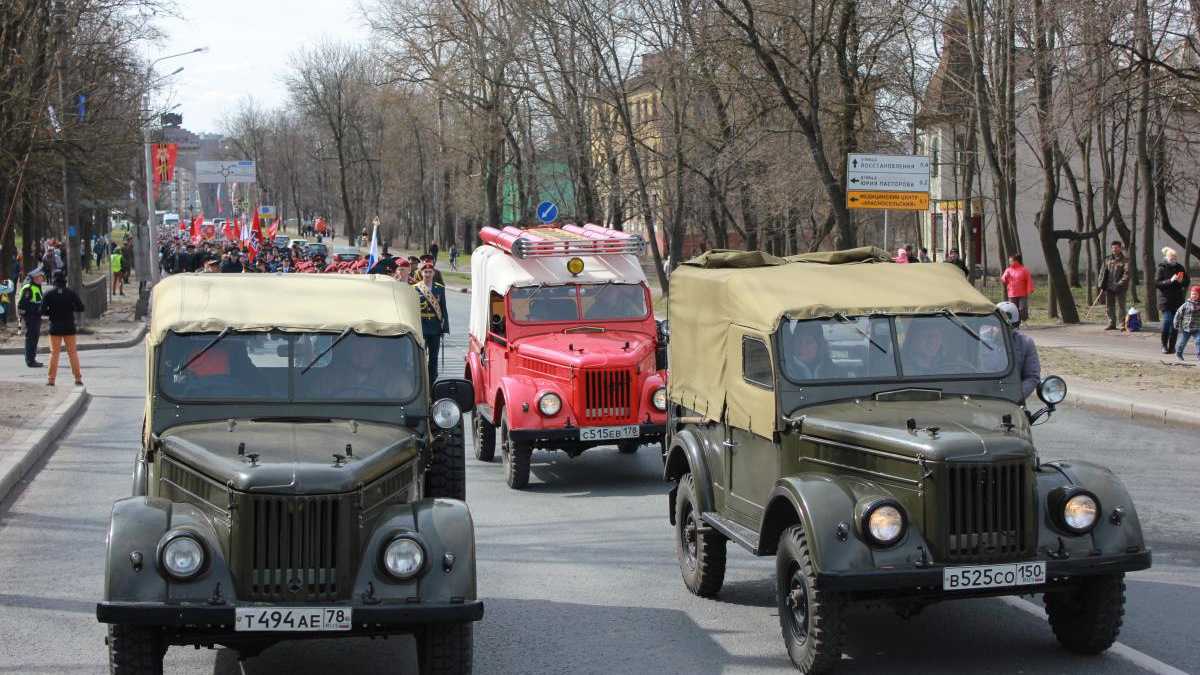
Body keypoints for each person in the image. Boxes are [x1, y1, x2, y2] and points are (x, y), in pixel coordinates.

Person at [41, 270, 85, 386]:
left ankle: (51, 379)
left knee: (54, 353)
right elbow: (81, 307)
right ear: (64, 279)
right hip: (69, 326)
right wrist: (70, 308)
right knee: (72, 353)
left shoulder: (48, 293)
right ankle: (77, 378)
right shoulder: (70, 293)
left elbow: (42, 310)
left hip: (54, 326)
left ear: (53, 279)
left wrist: (51, 312)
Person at [996, 301, 1041, 399]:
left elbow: (1032, 376)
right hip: (983, 395)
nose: (1003, 331)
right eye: (1000, 326)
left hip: (1013, 397)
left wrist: (1016, 395)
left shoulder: (1026, 343)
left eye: (1009, 328)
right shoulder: (980, 340)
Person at [413, 261, 449, 382]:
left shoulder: (440, 288)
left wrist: (444, 328)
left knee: (433, 358)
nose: (427, 274)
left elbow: (443, 309)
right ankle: (421, 380)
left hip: (435, 328)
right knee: (421, 357)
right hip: (421, 328)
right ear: (421, 273)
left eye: (430, 272)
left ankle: (432, 380)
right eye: (425, 272)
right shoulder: (415, 289)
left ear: (433, 273)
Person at [1154, 246, 1190, 354]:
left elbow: (1187, 281)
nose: (1173, 261)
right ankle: (1164, 344)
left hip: (1177, 299)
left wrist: (1181, 281)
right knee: (1168, 319)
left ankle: (1172, 346)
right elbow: (1157, 283)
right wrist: (1170, 280)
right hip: (1165, 300)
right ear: (1167, 259)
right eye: (1171, 259)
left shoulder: (1180, 267)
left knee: (1175, 323)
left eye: (1175, 259)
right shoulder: (1162, 268)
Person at [1098, 240, 1130, 330]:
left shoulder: (1125, 260)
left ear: (1120, 248)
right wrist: (1101, 284)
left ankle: (1122, 324)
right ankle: (1111, 323)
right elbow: (1102, 272)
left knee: (1121, 306)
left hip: (1121, 287)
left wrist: (1120, 283)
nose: (1114, 249)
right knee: (1109, 306)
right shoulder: (1108, 259)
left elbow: (1127, 274)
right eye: (1113, 248)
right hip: (1109, 286)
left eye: (1116, 248)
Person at [18, 267, 45, 367]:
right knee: (31, 338)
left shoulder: (36, 286)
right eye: (41, 276)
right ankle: (30, 360)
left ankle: (32, 358)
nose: (42, 278)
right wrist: (29, 315)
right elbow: (21, 305)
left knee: (34, 338)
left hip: (35, 317)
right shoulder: (28, 288)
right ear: (35, 277)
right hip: (31, 318)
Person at [1000, 254, 1034, 323]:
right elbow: (1003, 279)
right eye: (1009, 261)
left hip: (1022, 293)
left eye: (1011, 261)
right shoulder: (1008, 270)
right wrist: (1005, 277)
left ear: (1016, 261)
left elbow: (1029, 280)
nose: (1010, 263)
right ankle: (1015, 322)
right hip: (1012, 293)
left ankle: (1024, 320)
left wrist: (1030, 289)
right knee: (1013, 309)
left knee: (1023, 308)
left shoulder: (1024, 270)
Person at [1173, 285, 1200, 361]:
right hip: (1186, 328)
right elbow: (1178, 314)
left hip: (1197, 327)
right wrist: (1176, 323)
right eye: (1192, 294)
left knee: (1199, 341)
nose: (1194, 296)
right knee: (1182, 342)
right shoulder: (1186, 305)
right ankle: (1178, 353)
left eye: (1196, 294)